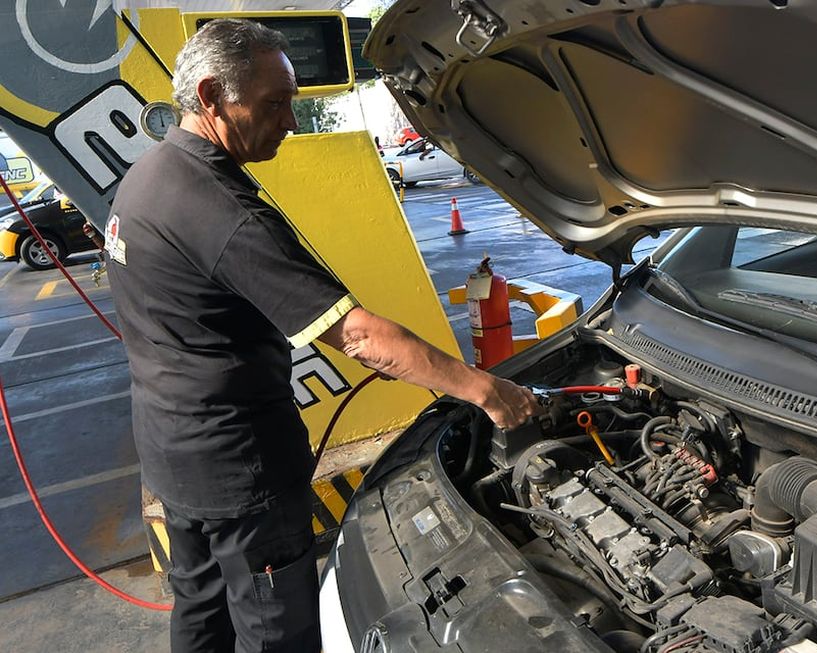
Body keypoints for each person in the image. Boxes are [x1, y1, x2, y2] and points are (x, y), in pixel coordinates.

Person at [106, 18, 540, 653]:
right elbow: (358, 336)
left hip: (173, 451)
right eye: (274, 103)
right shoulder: (221, 209)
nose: (289, 121)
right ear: (210, 97)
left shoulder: (147, 177)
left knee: (200, 610)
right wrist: (484, 389)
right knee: (276, 627)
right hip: (241, 466)